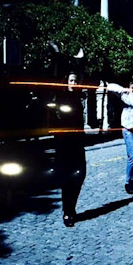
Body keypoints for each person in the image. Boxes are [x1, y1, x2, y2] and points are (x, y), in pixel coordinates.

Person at [55, 72, 88, 227]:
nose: (73, 83)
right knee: (67, 178)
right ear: (66, 82)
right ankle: (67, 212)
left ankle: (71, 207)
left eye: (75, 80)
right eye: (71, 80)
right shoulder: (61, 97)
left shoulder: (79, 97)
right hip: (65, 144)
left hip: (78, 143)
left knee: (80, 174)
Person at [107, 73, 133, 195]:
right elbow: (110, 86)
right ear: (131, 84)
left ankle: (132, 181)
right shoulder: (125, 95)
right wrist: (123, 89)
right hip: (128, 130)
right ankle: (127, 183)